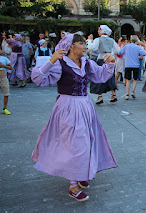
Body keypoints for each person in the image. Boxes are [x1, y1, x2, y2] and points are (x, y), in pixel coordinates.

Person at [31, 34, 118, 202]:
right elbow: (38, 79)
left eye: (85, 43)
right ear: (71, 47)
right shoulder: (60, 64)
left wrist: (110, 63)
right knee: (74, 144)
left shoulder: (86, 63)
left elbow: (100, 76)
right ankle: (73, 185)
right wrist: (51, 60)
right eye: (82, 44)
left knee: (86, 141)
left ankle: (79, 174)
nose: (85, 47)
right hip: (67, 107)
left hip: (85, 107)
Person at [87, 25, 120, 104]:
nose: (98, 31)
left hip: (101, 58)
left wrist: (89, 40)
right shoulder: (111, 40)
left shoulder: (98, 39)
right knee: (110, 77)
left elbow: (92, 48)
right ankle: (114, 95)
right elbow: (118, 50)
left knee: (99, 77)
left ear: (102, 31)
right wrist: (110, 52)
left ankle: (100, 97)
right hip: (109, 59)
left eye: (99, 29)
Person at [118, 35, 146, 100]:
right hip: (136, 64)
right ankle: (133, 91)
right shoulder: (137, 47)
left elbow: (120, 52)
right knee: (135, 79)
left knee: (128, 79)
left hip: (128, 64)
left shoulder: (126, 46)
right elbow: (144, 53)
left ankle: (127, 94)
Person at [0, 48, 13, 115]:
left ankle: (5, 108)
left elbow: (11, 68)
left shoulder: (4, 58)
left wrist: (3, 66)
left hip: (3, 77)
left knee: (6, 93)